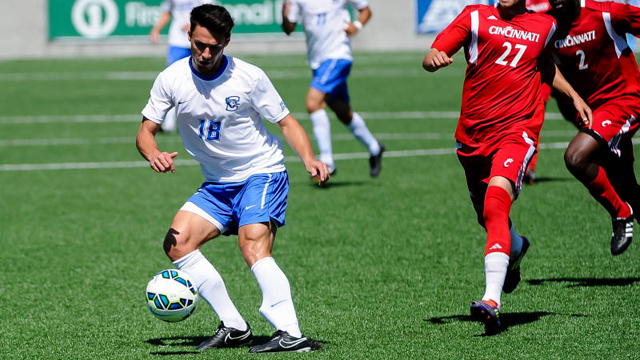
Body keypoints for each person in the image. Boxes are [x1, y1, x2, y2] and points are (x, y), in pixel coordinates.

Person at [137, 4, 329, 353]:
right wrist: (154, 153)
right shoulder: (172, 77)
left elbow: (285, 122)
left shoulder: (249, 77)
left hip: (261, 172)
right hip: (217, 184)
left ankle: (291, 334)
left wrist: (310, 159)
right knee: (176, 243)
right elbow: (145, 131)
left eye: (215, 46)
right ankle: (235, 326)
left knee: (252, 243)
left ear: (227, 41)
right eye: (199, 44)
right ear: (188, 35)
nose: (206, 53)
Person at [423, 0, 591, 334]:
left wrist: (573, 94)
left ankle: (491, 301)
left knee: (495, 205)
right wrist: (433, 60)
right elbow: (432, 54)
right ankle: (516, 246)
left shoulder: (544, 25)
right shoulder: (475, 15)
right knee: (485, 216)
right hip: (473, 135)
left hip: (518, 131)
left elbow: (544, 64)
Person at [548, 0, 640, 256]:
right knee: (627, 188)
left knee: (575, 157)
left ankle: (621, 215)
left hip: (625, 101)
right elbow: (546, 66)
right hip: (594, 114)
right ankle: (626, 206)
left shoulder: (608, 13)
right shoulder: (548, 26)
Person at [281, 0, 385, 178]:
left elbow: (365, 10)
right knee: (342, 111)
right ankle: (375, 147)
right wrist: (285, 12)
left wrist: (357, 25)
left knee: (313, 103)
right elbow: (289, 29)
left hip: (338, 55)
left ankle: (327, 161)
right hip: (318, 60)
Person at [150, 0, 212, 133]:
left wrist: (196, 25)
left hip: (200, 41)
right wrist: (156, 29)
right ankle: (169, 123)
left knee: (204, 80)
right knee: (172, 80)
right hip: (177, 41)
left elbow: (210, 13)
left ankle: (207, 120)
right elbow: (167, 12)